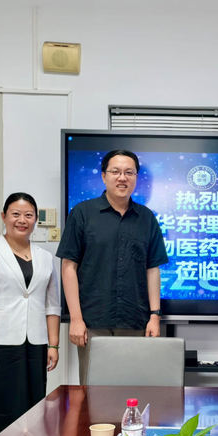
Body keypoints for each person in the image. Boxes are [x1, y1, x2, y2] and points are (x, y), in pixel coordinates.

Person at [56, 149, 169, 384]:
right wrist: (75, 318)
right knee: (92, 392)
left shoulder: (146, 218)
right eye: (115, 171)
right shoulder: (82, 213)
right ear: (104, 176)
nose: (122, 178)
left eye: (129, 172)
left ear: (136, 178)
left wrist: (155, 316)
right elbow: (68, 267)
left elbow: (152, 269)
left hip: (135, 321)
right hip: (92, 322)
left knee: (132, 389)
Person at [0, 192, 61, 435]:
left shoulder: (45, 257)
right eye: (16, 214)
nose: (22, 220)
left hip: (35, 345)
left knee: (32, 411)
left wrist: (53, 345)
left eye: (28, 215)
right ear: (4, 216)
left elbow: (52, 306)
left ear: (35, 219)